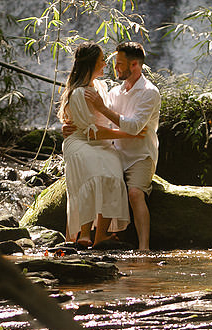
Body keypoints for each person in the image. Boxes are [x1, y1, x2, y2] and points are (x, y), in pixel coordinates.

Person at [70, 42, 161, 251]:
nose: (114, 68)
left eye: (119, 64)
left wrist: (102, 107)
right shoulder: (114, 92)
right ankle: (95, 235)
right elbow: (103, 122)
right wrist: (73, 127)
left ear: (135, 65)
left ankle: (144, 247)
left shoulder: (149, 92)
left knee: (135, 194)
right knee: (104, 178)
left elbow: (135, 126)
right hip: (117, 152)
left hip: (140, 156)